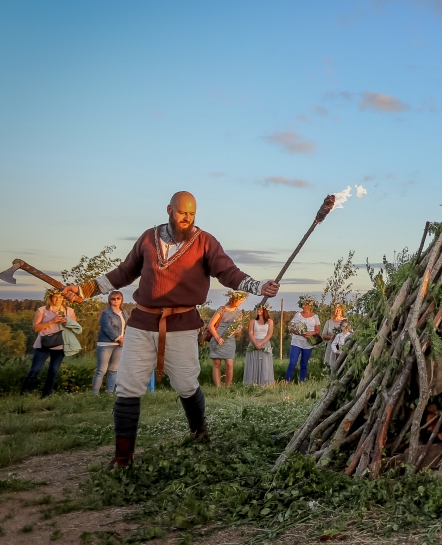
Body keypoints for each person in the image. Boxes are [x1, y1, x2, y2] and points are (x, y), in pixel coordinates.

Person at [62, 191, 279, 469]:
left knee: (186, 384)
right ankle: (122, 458)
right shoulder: (147, 239)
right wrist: (85, 289)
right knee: (127, 387)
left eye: (192, 214)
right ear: (169, 210)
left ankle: (199, 434)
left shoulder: (205, 242)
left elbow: (228, 272)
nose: (187, 218)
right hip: (142, 323)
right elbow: (123, 272)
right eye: (181, 212)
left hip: (182, 324)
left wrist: (257, 286)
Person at [21, 290, 76, 398]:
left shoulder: (69, 311)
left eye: (60, 297)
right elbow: (36, 328)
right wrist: (52, 321)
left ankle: (46, 395)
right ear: (50, 298)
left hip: (60, 344)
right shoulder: (42, 310)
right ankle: (24, 394)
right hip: (43, 344)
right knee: (35, 370)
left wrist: (66, 323)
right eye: (55, 297)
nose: (57, 299)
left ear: (63, 299)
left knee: (53, 370)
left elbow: (74, 328)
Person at [207, 291, 247, 387]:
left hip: (229, 340)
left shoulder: (239, 312)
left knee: (229, 364)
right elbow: (210, 325)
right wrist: (217, 338)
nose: (241, 303)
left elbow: (240, 328)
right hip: (217, 338)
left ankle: (228, 387)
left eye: (242, 301)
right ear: (234, 300)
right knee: (217, 363)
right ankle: (218, 387)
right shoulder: (222, 309)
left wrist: (235, 331)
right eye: (240, 301)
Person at [92, 291, 127, 394]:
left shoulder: (124, 312)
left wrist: (124, 339)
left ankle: (109, 393)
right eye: (113, 298)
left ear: (121, 300)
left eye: (118, 298)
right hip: (106, 344)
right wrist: (118, 338)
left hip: (119, 345)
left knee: (113, 370)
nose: (116, 300)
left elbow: (127, 326)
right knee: (101, 370)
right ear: (109, 300)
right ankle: (94, 394)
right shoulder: (106, 313)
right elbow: (107, 328)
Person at [285, 295, 321, 383]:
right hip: (296, 341)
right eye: (302, 305)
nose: (304, 306)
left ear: (310, 306)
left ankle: (302, 381)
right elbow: (291, 327)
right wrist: (299, 332)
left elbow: (317, 331)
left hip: (308, 343)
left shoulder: (315, 317)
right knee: (292, 363)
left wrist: (310, 333)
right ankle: (287, 381)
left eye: (306, 305)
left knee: (304, 364)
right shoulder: (298, 315)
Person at [243, 305, 275, 386]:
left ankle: (264, 383)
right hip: (254, 342)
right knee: (253, 363)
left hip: (265, 343)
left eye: (260, 309)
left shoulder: (270, 322)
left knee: (265, 363)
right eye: (258, 309)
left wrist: (261, 343)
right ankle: (252, 383)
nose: (258, 310)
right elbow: (250, 333)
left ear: (265, 310)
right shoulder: (253, 321)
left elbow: (269, 334)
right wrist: (256, 343)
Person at [322, 304, 347, 369]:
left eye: (339, 310)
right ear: (333, 311)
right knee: (330, 363)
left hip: (342, 345)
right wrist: (332, 337)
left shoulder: (345, 321)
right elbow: (323, 335)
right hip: (331, 345)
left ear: (342, 311)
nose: (337, 311)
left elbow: (350, 332)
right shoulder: (329, 322)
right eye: (336, 310)